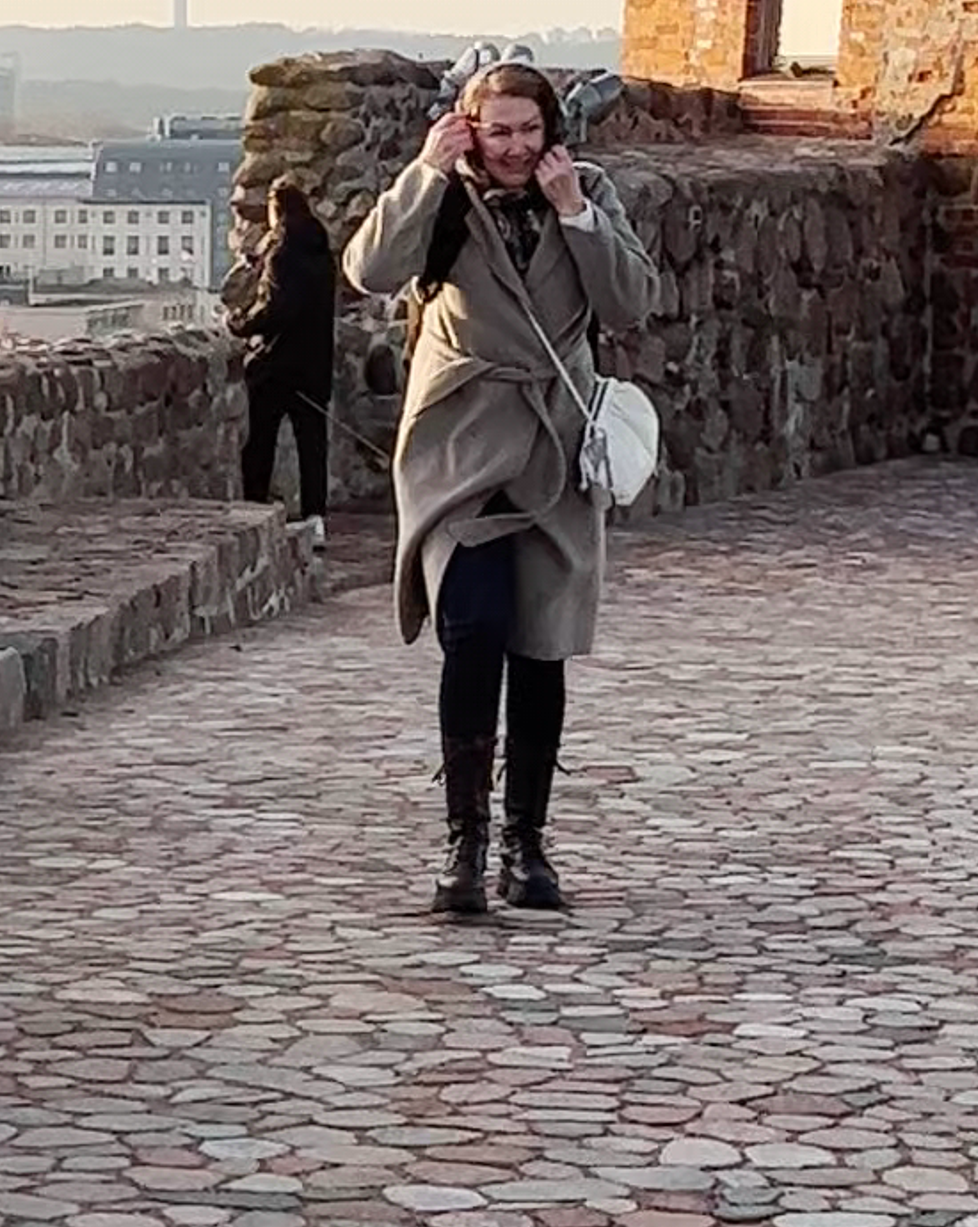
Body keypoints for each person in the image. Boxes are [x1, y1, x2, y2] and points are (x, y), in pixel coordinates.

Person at [340, 65, 656, 921]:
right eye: (497, 130)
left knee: (540, 641)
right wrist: (425, 171)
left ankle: (527, 840)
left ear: (551, 128)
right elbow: (369, 266)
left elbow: (630, 301)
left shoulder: (585, 192)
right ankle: (464, 839)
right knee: (471, 627)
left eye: (527, 129)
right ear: (469, 127)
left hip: (553, 439)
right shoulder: (442, 196)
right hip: (463, 438)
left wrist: (576, 217)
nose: (514, 148)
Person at [227, 171, 337, 530]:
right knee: (312, 446)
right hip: (315, 365)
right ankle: (315, 517)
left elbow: (277, 309)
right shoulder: (323, 254)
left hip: (277, 364)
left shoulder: (282, 254)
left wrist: (241, 324)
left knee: (261, 441)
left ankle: (255, 511)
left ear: (277, 211)